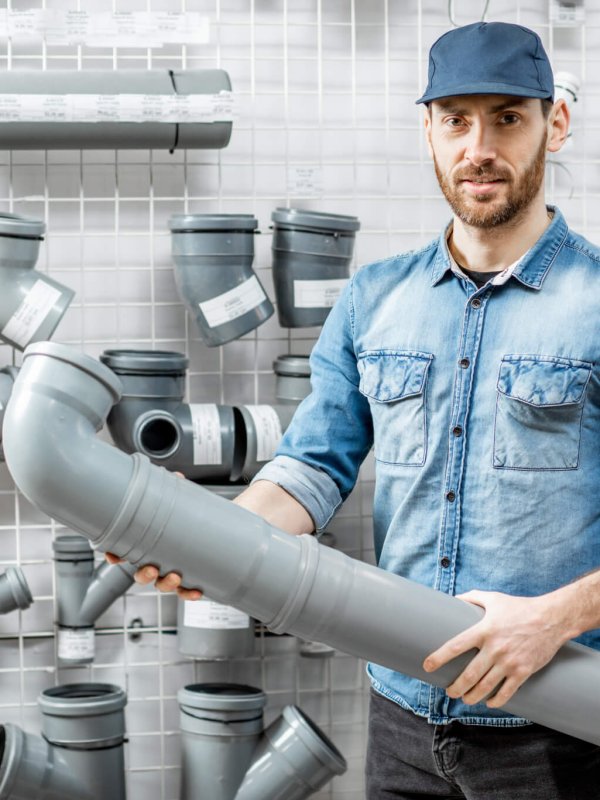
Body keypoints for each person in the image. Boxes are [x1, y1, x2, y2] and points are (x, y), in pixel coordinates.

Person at [117, 21, 600, 799]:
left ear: (556, 123)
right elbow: (309, 469)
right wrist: (202, 546)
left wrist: (556, 616)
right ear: (429, 130)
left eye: (507, 117)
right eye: (456, 119)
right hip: (404, 726)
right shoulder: (373, 299)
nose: (479, 146)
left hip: (556, 731)